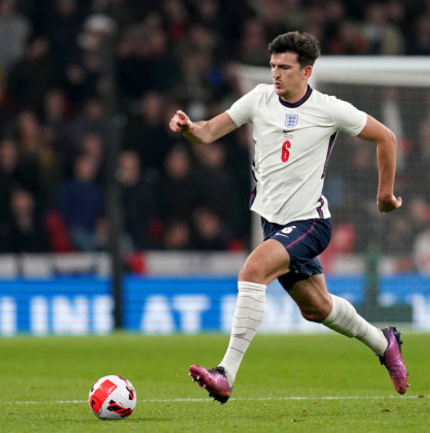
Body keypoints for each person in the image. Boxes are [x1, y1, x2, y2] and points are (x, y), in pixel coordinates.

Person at [168, 31, 409, 404]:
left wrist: (385, 194)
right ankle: (384, 342)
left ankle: (225, 374)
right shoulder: (260, 99)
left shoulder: (329, 109)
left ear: (306, 71)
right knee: (318, 308)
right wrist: (189, 129)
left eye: (284, 67)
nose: (276, 74)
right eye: (272, 66)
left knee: (252, 271)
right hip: (273, 223)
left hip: (310, 224)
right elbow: (210, 132)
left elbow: (386, 138)